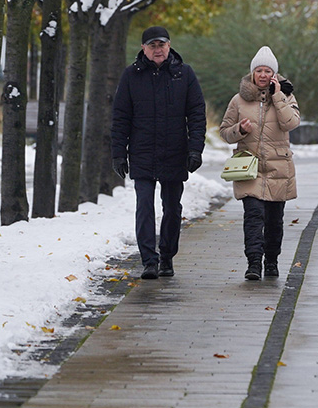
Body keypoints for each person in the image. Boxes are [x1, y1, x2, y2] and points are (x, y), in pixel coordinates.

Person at [111, 26, 206, 280]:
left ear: (169, 45)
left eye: (161, 44)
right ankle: (149, 261)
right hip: (142, 152)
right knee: (144, 207)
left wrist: (195, 149)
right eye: (152, 45)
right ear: (143, 48)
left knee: (172, 208)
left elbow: (197, 114)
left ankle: (167, 256)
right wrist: (118, 153)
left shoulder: (184, 74)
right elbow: (120, 117)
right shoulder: (131, 75)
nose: (158, 50)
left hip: (175, 152)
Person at [220, 46, 300, 281]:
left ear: (274, 75)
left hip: (278, 168)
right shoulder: (238, 100)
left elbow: (291, 123)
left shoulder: (286, 97)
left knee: (274, 220)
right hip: (249, 167)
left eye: (267, 71)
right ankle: (254, 262)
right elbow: (224, 131)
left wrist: (278, 97)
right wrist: (239, 130)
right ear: (252, 73)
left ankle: (272, 261)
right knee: (253, 216)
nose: (263, 75)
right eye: (259, 71)